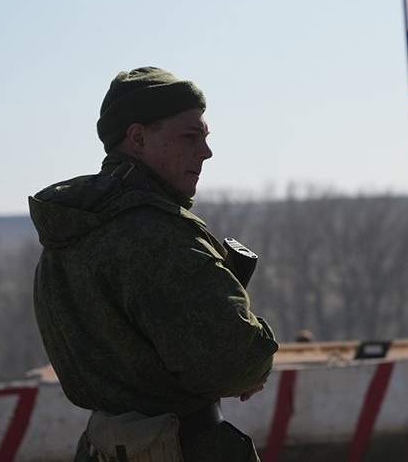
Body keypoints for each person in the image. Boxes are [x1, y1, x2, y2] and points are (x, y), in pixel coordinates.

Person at [29, 67, 278, 462]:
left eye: (205, 138)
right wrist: (252, 357)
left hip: (100, 449)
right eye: (190, 137)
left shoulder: (68, 229)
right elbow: (235, 361)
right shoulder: (160, 235)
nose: (206, 152)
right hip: (185, 449)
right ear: (138, 138)